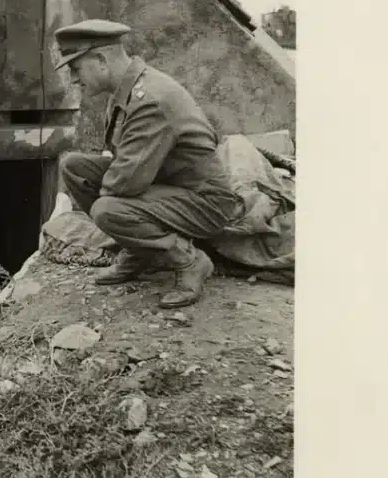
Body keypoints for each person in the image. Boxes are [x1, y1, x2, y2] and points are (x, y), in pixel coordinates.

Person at [48, 19, 244, 309]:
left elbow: (125, 183)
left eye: (76, 68)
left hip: (204, 202)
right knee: (74, 168)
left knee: (107, 209)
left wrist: (112, 209)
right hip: (168, 187)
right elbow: (123, 163)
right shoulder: (126, 89)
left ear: (101, 60)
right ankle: (139, 250)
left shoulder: (148, 98)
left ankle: (189, 261)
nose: (74, 79)